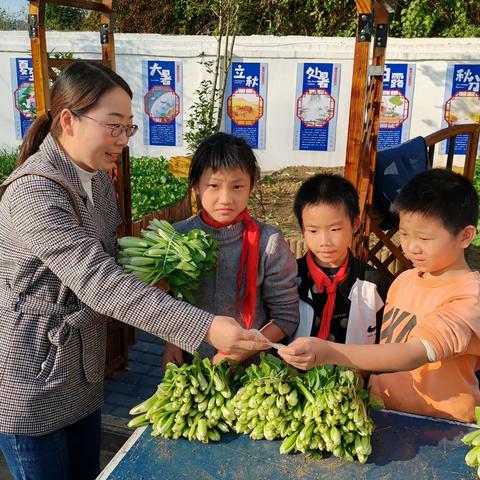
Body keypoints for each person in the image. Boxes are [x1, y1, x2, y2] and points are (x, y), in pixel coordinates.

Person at [0, 61, 269, 480]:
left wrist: (166, 270)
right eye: (114, 126)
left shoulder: (99, 181)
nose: (124, 140)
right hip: (32, 381)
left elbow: (115, 265)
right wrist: (203, 327)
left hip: (83, 376)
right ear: (68, 120)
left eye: (129, 127)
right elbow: (98, 281)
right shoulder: (34, 191)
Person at [279, 168, 480, 423]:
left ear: (465, 236)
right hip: (383, 413)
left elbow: (412, 353)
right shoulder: (405, 280)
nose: (410, 247)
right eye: (405, 234)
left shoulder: (470, 298)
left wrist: (329, 351)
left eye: (424, 237)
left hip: (440, 425)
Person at [161, 132, 299, 369]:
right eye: (213, 186)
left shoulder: (269, 242)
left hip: (253, 375)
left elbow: (286, 317)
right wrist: (172, 343)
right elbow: (169, 302)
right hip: (189, 367)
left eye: (237, 186)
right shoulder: (176, 237)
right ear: (196, 186)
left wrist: (234, 355)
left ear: (251, 187)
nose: (225, 198)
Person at [292, 173, 390, 345]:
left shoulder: (374, 284)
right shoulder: (289, 278)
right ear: (303, 230)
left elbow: (386, 343)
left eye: (335, 229)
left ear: (355, 224)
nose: (324, 242)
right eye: (313, 231)